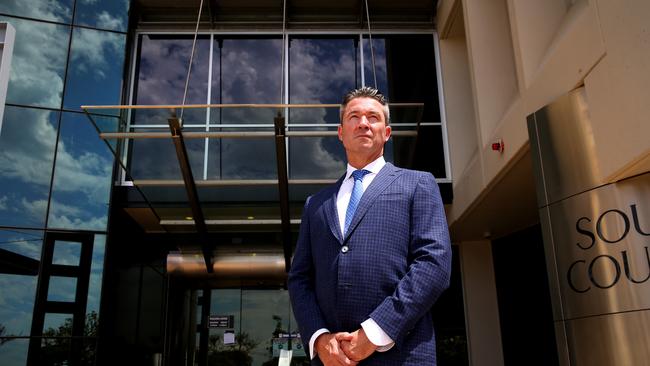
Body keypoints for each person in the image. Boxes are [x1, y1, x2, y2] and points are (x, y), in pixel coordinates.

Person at [288, 86, 452, 365]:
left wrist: (375, 332)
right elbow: (300, 278)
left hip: (401, 354)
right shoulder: (315, 203)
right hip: (331, 360)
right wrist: (319, 337)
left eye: (373, 117)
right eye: (354, 116)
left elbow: (433, 263)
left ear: (386, 133)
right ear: (340, 132)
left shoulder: (418, 184)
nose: (363, 123)